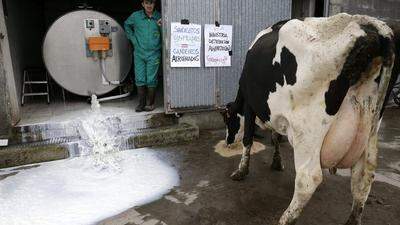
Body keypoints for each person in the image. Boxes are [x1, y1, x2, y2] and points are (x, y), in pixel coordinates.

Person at [124, 0, 162, 112]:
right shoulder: (136, 16)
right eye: (146, 3)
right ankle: (141, 104)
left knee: (151, 79)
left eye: (151, 3)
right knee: (140, 78)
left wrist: (160, 26)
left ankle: (150, 104)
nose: (149, 5)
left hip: (154, 53)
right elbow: (126, 25)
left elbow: (167, 32)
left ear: (154, 4)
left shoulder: (159, 16)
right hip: (139, 53)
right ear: (142, 4)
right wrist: (133, 40)